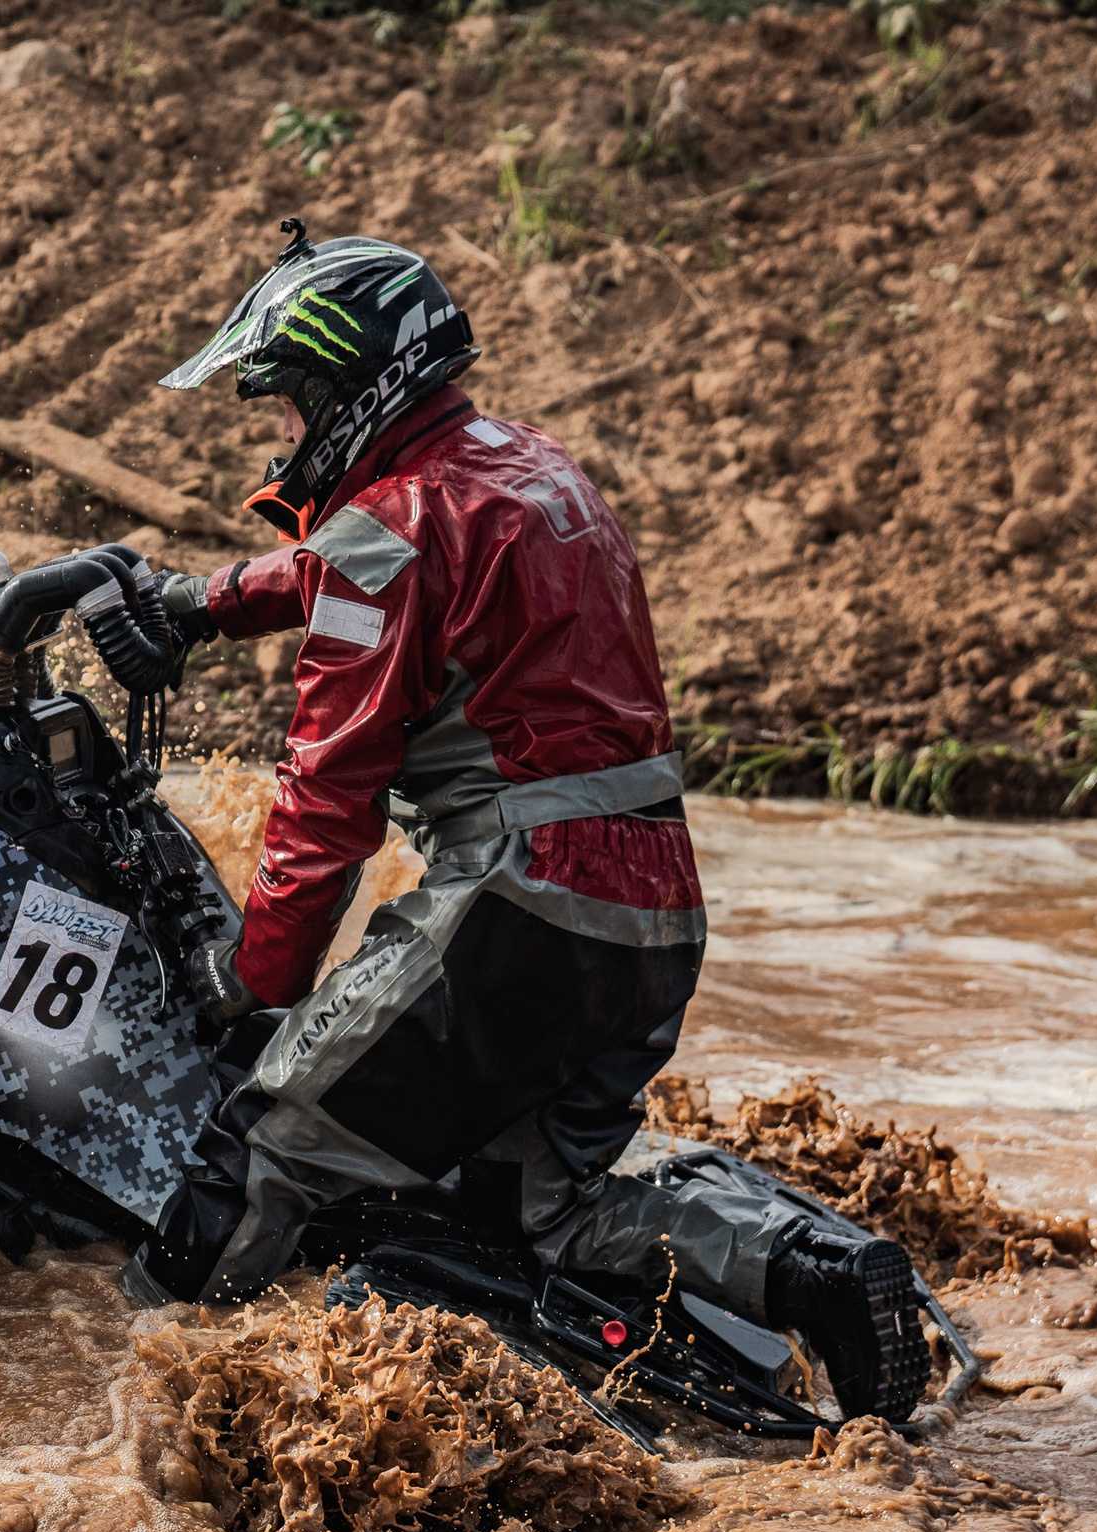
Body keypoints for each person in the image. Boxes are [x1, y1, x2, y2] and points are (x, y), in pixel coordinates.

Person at [128, 220, 929, 1420]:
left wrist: (253, 977)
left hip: (525, 901)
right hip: (651, 911)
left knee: (270, 1142)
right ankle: (808, 1270)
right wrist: (201, 604)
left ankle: (124, 1414)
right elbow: (368, 569)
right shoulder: (525, 465)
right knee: (537, 1212)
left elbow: (326, 799)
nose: (282, 435)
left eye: (287, 405)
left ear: (351, 387)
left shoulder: (385, 531)